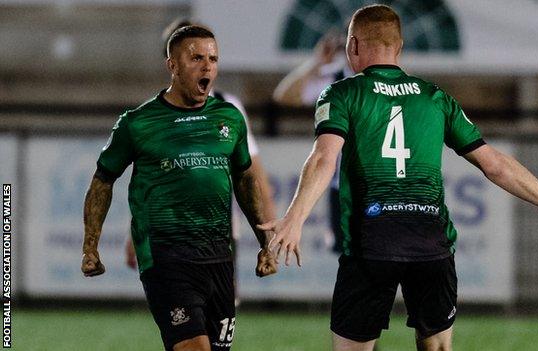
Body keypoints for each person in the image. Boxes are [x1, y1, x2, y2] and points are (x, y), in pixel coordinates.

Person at [259, 5, 538, 351]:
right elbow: (494, 164)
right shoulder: (435, 97)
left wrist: (296, 217)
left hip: (372, 243)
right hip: (430, 243)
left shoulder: (342, 93)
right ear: (399, 47)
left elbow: (324, 157)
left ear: (352, 46)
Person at [81, 25, 277, 351]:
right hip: (166, 256)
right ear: (172, 65)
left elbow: (244, 180)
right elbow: (103, 181)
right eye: (196, 57)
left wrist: (264, 244)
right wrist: (90, 247)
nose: (207, 66)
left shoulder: (229, 118)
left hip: (218, 255)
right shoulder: (137, 123)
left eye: (213, 58)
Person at [125, 18, 276, 271]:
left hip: (219, 235)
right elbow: (147, 183)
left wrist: (268, 237)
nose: (202, 63)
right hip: (169, 235)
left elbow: (251, 175)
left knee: (220, 311)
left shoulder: (229, 110)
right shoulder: (153, 115)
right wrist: (135, 234)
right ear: (171, 62)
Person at [273, 30, 353, 253]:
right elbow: (284, 96)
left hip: (378, 182)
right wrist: (316, 63)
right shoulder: (332, 79)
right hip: (341, 183)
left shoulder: (382, 80)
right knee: (345, 253)